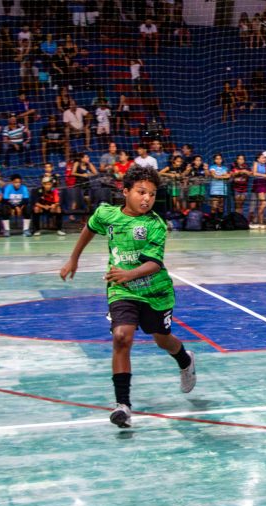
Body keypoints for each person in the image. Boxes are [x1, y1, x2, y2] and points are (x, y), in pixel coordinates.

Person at [59, 165, 197, 428]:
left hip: (155, 292)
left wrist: (128, 273)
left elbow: (154, 264)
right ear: (125, 192)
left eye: (152, 194)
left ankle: (185, 359)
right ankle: (123, 405)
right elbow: (89, 229)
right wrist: (73, 259)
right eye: (141, 192)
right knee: (122, 337)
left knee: (162, 338)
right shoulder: (106, 214)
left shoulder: (155, 224)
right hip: (121, 289)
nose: (147, 198)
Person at [250, 151, 266, 226]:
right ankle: (255, 218)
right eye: (262, 158)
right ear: (258, 159)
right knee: (264, 203)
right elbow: (254, 173)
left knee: (261, 204)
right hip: (258, 182)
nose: (264, 159)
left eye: (264, 158)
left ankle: (261, 222)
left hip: (264, 183)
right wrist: (265, 176)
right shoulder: (256, 163)